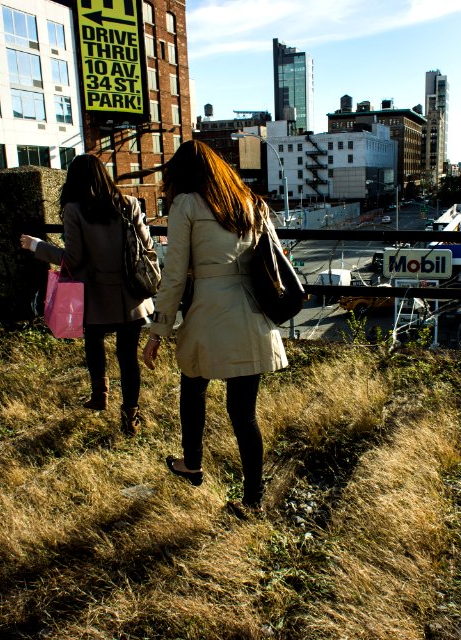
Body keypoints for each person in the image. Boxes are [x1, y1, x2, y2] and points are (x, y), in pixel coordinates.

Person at [142, 140, 288, 517]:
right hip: (253, 315)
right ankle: (253, 499)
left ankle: (192, 463)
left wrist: (158, 330)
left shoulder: (186, 204)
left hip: (209, 313)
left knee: (192, 386)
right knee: (244, 414)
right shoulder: (251, 202)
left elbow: (174, 276)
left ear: (183, 175)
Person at [20, 154, 155, 435]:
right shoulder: (128, 204)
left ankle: (100, 395)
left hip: (93, 295)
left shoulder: (74, 209)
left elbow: (73, 259)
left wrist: (38, 247)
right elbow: (146, 245)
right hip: (131, 295)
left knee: (94, 344)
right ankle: (130, 417)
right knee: (128, 358)